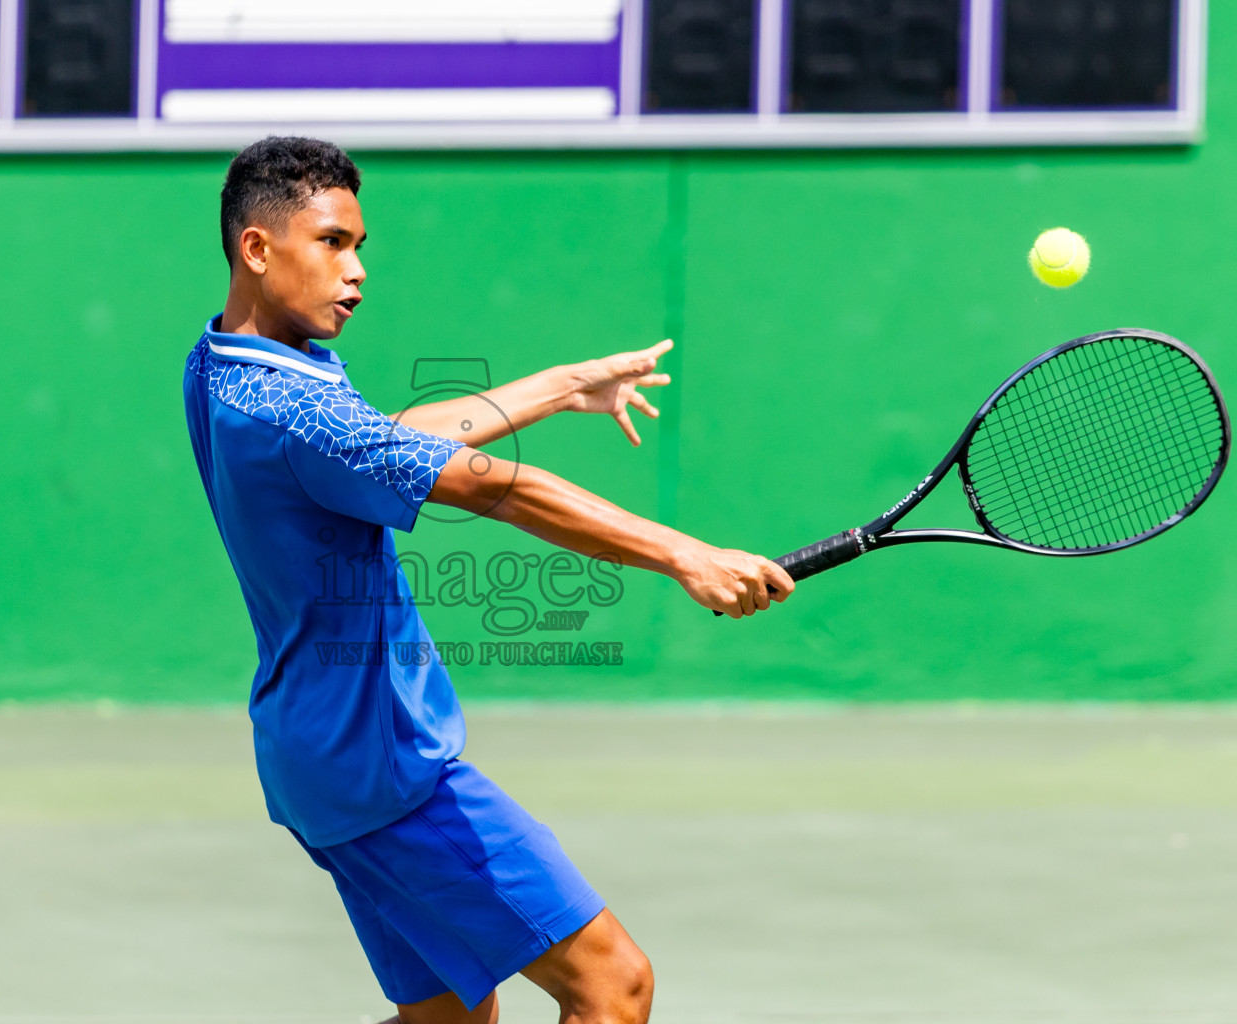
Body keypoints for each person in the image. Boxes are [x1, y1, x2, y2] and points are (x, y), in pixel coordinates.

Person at [182, 136, 794, 1024]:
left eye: (361, 246)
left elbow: (390, 440)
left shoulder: (223, 364)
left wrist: (565, 383)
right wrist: (685, 554)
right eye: (333, 243)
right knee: (613, 985)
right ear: (257, 249)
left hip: (311, 758)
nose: (356, 272)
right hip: (385, 768)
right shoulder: (296, 409)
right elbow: (502, 491)